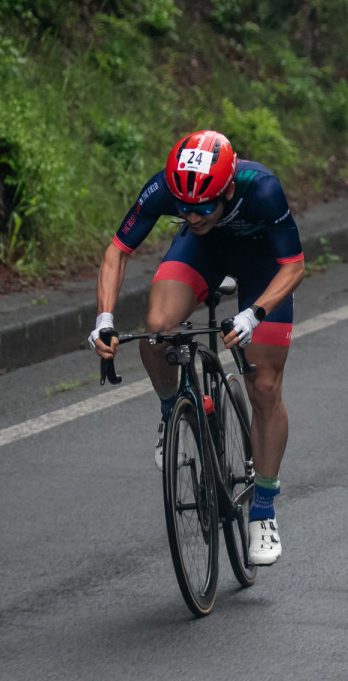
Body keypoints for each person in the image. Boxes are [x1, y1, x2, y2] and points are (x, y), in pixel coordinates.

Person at [88, 130, 305, 566]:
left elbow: (294, 266)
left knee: (263, 387)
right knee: (157, 331)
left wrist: (253, 314)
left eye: (204, 206)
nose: (192, 214)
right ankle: (173, 410)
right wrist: (104, 319)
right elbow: (117, 250)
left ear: (226, 188)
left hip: (262, 265)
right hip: (202, 255)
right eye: (183, 209)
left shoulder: (260, 188)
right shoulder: (170, 190)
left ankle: (263, 508)